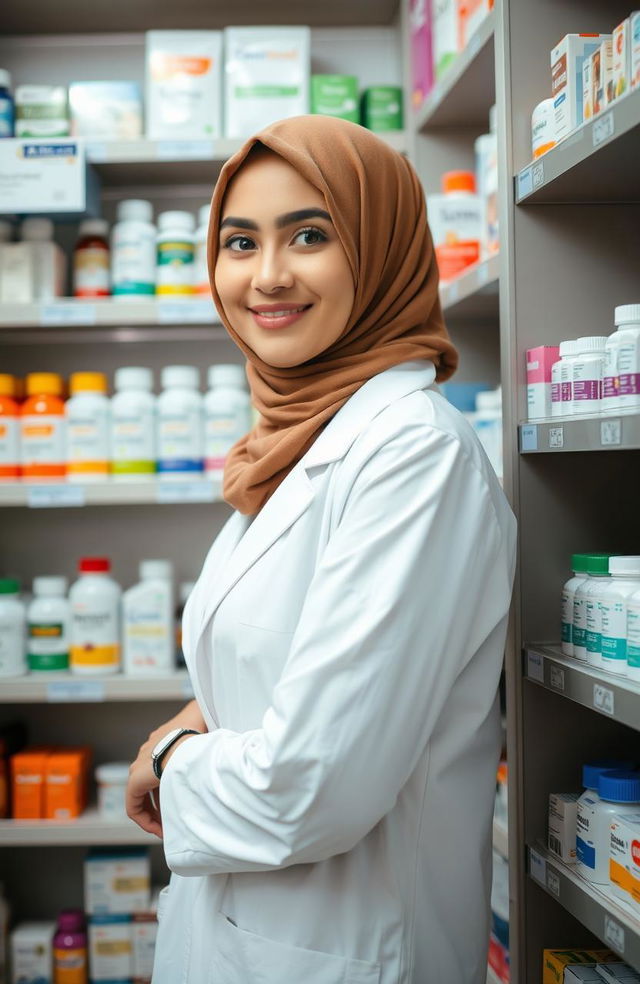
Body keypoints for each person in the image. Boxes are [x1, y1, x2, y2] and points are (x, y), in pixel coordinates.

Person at [126, 115, 516, 984]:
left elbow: (310, 787)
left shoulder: (412, 453)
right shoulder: (303, 437)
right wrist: (205, 716)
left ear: (381, 252)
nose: (266, 277)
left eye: (310, 234)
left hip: (352, 951)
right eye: (238, 241)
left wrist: (169, 760)